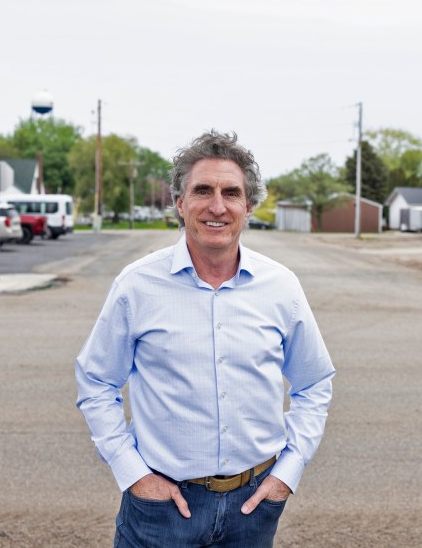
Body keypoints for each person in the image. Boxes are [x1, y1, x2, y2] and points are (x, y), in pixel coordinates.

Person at [75, 130, 335, 547]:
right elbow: (96, 382)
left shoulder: (281, 287)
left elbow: (314, 383)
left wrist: (287, 473)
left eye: (231, 193)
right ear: (180, 202)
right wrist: (134, 473)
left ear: (248, 206)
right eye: (202, 191)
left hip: (254, 507)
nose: (217, 206)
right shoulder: (137, 286)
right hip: (160, 508)